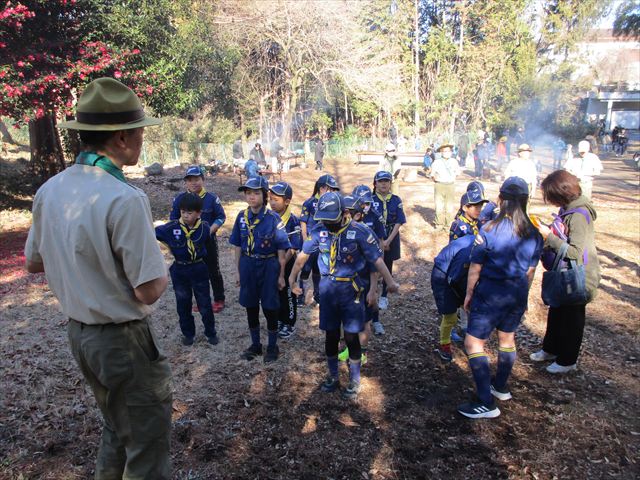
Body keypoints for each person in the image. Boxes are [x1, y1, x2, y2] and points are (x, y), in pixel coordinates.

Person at [25, 77, 172, 478]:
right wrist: (165, 261)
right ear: (122, 138)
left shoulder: (50, 190)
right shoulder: (124, 198)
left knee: (116, 426)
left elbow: (34, 262)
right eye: (140, 131)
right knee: (147, 445)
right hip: (122, 339)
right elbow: (148, 289)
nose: (143, 139)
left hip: (81, 334)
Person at [288, 192, 399, 400]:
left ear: (345, 213)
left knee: (350, 336)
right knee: (330, 335)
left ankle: (355, 378)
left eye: (331, 219)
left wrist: (390, 282)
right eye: (324, 219)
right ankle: (332, 375)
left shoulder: (359, 232)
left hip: (351, 291)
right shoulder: (319, 231)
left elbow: (376, 259)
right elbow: (302, 256)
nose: (327, 224)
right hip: (328, 290)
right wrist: (292, 279)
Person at [458, 177, 543, 419]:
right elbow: (530, 272)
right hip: (516, 292)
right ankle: (500, 386)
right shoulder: (534, 234)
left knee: (473, 344)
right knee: (507, 339)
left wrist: (469, 293)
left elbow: (476, 267)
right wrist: (521, 297)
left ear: (501, 199)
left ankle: (485, 402)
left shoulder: (489, 229)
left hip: (491, 294)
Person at [530, 170, 600, 373]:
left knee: (572, 319)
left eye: (550, 195)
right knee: (557, 311)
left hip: (579, 276)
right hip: (565, 273)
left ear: (561, 194)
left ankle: (567, 360)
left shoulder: (579, 215)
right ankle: (550, 349)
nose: (548, 199)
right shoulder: (567, 210)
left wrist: (548, 237)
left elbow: (575, 252)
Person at [229, 176, 291, 363]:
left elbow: (282, 249)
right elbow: (238, 245)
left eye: (256, 193)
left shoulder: (273, 218)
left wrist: (281, 275)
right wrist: (238, 271)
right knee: (250, 306)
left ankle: (272, 346)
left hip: (269, 265)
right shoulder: (241, 217)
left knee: (270, 307)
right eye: (248, 193)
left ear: (264, 196)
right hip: (248, 264)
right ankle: (255, 344)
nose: (251, 197)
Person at [157, 193, 218, 346]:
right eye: (183, 212)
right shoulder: (172, 227)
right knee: (183, 304)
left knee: (204, 303)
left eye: (189, 212)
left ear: (198, 213)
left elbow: (207, 246)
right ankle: (188, 334)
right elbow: (153, 234)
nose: (185, 215)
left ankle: (210, 333)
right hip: (180, 269)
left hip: (198, 268)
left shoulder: (204, 227)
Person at [170, 165, 227, 313]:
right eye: (190, 180)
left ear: (202, 180)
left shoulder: (211, 199)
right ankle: (202, 301)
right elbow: (173, 219)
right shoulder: (180, 199)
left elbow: (221, 217)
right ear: (186, 183)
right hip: (188, 243)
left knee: (213, 270)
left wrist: (209, 231)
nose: (194, 182)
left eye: (197, 179)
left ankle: (219, 299)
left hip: (208, 242)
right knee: (195, 272)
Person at [432, 234, 476, 362]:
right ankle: (444, 346)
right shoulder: (468, 253)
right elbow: (454, 280)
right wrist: (466, 296)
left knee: (469, 308)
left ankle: (470, 341)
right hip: (444, 275)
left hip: (459, 276)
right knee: (450, 316)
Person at [268, 181, 303, 339]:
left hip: (288, 263)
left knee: (288, 293)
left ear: (287, 201)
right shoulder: (268, 218)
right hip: (271, 262)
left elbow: (294, 246)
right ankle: (279, 319)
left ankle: (289, 322)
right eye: (270, 199)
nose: (272, 203)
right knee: (275, 291)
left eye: (276, 200)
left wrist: (282, 262)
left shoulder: (293, 221)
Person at [299, 174, 340, 306]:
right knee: (305, 269)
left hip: (323, 243)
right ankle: (300, 294)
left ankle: (318, 295)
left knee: (318, 270)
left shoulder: (333, 204)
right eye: (330, 189)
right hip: (311, 241)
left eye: (334, 190)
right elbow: (303, 222)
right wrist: (305, 239)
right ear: (321, 188)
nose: (332, 192)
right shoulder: (310, 203)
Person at [351, 185, 387, 335]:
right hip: (354, 261)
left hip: (371, 260)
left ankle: (376, 321)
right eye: (363, 203)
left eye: (368, 203)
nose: (365, 207)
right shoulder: (350, 213)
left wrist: (380, 265)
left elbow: (380, 241)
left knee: (373, 293)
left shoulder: (375, 215)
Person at [372, 171, 406, 315]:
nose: (384, 184)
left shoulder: (396, 200)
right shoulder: (371, 200)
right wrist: (379, 241)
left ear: (391, 183)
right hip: (374, 237)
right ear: (375, 183)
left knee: (388, 263)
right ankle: (372, 289)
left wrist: (388, 240)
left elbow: (399, 221)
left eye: (387, 181)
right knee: (374, 264)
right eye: (380, 181)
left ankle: (384, 296)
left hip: (391, 235)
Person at [431, 142, 460, 230]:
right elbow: (432, 174)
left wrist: (451, 178)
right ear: (441, 152)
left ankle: (448, 225)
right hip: (439, 185)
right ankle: (439, 224)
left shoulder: (454, 161)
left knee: (449, 206)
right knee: (439, 205)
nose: (447, 153)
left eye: (449, 151)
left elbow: (457, 173)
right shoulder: (437, 162)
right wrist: (437, 180)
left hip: (450, 185)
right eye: (445, 151)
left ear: (451, 152)